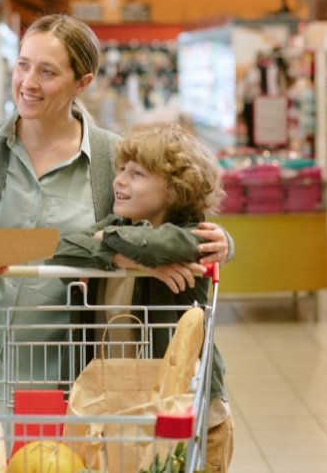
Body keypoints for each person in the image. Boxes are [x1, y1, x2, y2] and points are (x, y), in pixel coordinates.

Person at [0, 14, 231, 409]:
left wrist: (217, 241)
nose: (28, 83)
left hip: (72, 367)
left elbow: (169, 217)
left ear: (81, 83)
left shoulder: (110, 158)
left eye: (47, 72)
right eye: (23, 64)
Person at [52, 123, 233, 472]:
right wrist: (124, 257)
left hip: (188, 413)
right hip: (124, 407)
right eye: (122, 170)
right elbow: (61, 250)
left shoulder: (194, 237)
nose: (119, 181)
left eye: (137, 174)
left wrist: (109, 239)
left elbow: (161, 245)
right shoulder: (124, 228)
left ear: (174, 190)